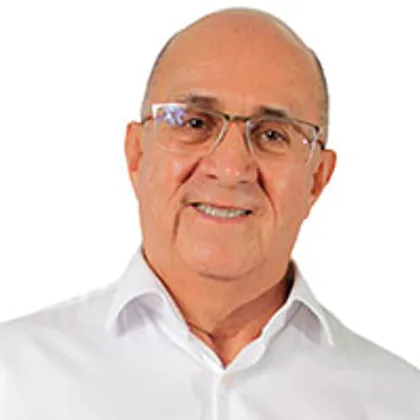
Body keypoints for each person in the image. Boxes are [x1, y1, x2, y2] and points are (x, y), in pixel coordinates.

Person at [1, 7, 419, 419]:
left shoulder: (401, 402)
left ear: (317, 179)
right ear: (137, 154)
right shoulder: (13, 377)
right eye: (195, 123)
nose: (231, 168)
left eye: (272, 134)